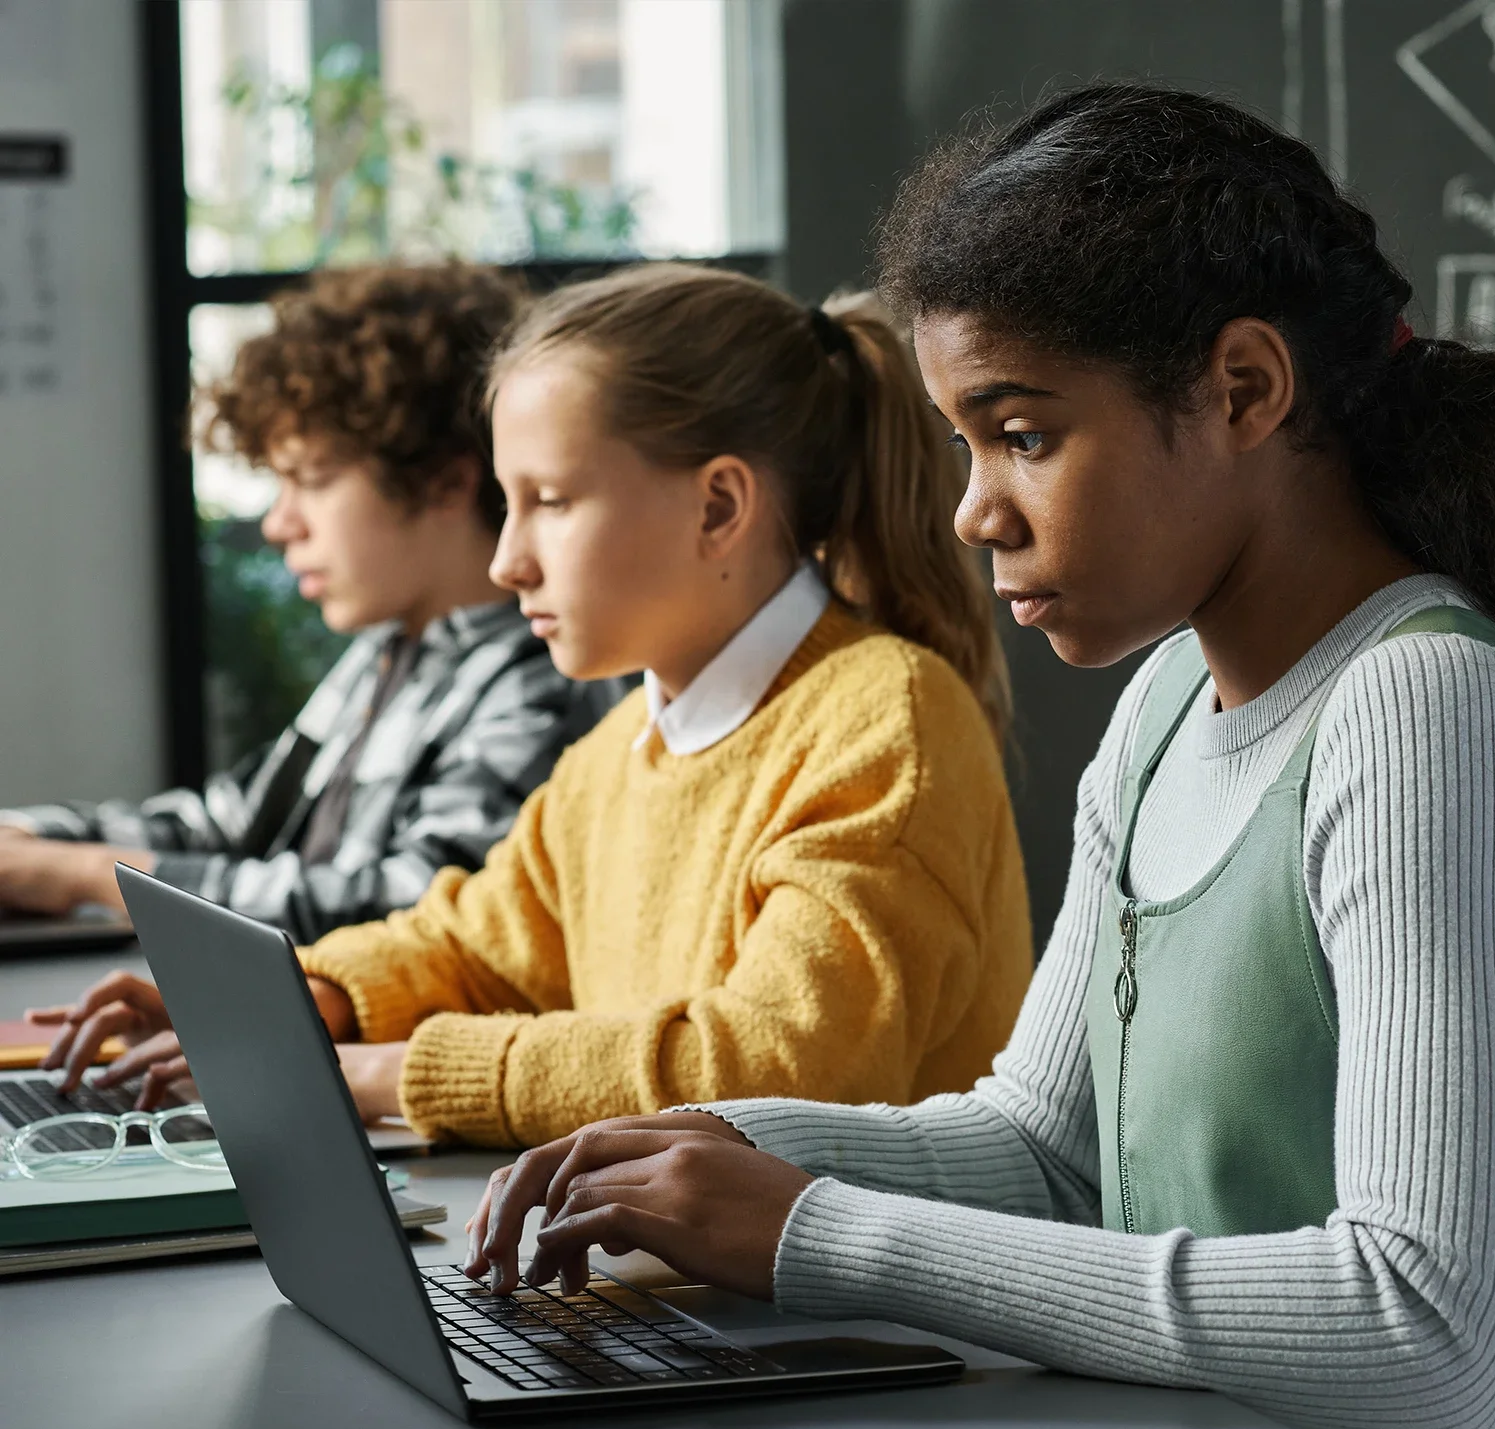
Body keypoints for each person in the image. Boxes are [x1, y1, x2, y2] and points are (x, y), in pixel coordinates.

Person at [460, 87, 1495, 1429]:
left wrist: (812, 1231)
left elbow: (1424, 1339)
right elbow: (1046, 1151)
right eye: (965, 443)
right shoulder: (1168, 700)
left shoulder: (1427, 714)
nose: (975, 508)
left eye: (1024, 435)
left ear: (1243, 391)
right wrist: (696, 1142)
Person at [43, 263, 1034, 1149]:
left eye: (550, 502)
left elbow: (775, 1067)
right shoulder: (619, 753)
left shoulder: (889, 719)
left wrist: (395, 1076)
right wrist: (303, 1001)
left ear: (719, 507)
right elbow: (470, 947)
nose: (505, 559)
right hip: (680, 1291)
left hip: (864, 1327)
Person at [0, 263, 588, 944]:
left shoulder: (538, 680)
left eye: (312, 479)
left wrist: (82, 875)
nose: (281, 524)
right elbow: (231, 822)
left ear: (444, 482)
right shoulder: (389, 655)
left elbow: (406, 917)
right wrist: (27, 839)